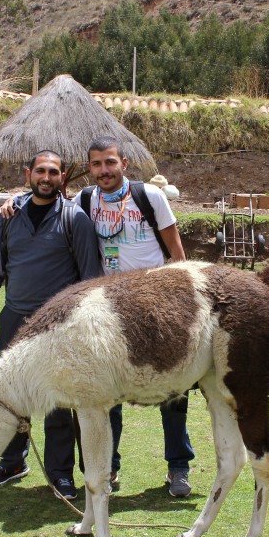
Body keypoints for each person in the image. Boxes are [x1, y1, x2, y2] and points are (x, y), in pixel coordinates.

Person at [0, 150, 103, 501]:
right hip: (14, 318)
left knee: (58, 401)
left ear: (63, 178)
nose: (46, 177)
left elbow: (91, 278)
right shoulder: (9, 216)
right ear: (28, 173)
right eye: (40, 171)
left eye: (54, 172)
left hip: (58, 325)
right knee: (11, 395)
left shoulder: (74, 219)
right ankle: (12, 461)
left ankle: (60, 475)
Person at [76, 136, 194, 498]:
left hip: (158, 308)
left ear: (124, 163)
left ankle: (179, 467)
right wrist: (10, 206)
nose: (104, 171)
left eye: (110, 163)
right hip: (110, 311)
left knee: (174, 392)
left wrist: (182, 304)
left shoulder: (150, 196)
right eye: (96, 164)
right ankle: (108, 469)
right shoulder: (85, 200)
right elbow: (47, 206)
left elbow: (177, 252)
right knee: (107, 393)